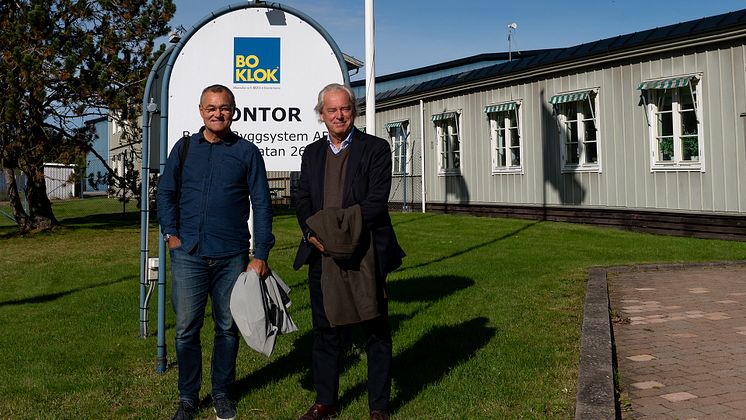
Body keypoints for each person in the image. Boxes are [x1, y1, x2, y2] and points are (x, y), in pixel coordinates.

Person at [157, 84, 275, 420]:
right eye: (211, 108)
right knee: (186, 329)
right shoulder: (183, 149)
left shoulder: (247, 153)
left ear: (233, 111)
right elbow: (165, 195)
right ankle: (187, 398)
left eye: (224, 108)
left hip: (232, 254)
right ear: (200, 111)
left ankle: (222, 392)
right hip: (188, 254)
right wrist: (172, 236)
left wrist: (261, 252)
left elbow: (262, 205)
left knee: (226, 327)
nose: (217, 113)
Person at [293, 83, 405, 420]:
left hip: (364, 250)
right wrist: (313, 234)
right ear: (322, 115)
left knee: (375, 330)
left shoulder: (376, 149)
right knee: (325, 331)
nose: (339, 115)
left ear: (353, 111)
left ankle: (378, 406)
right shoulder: (311, 153)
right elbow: (302, 200)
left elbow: (374, 203)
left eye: (345, 108)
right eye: (332, 110)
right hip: (320, 253)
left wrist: (339, 237)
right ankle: (325, 401)